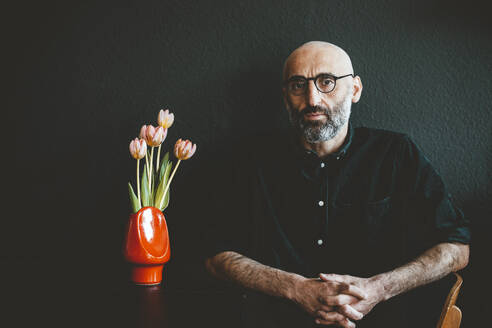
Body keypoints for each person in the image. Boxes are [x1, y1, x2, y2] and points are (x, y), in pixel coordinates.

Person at [204, 41, 470, 328]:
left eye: (326, 82)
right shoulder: (253, 160)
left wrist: (379, 288)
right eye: (298, 85)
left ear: (355, 89)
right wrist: (295, 288)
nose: (312, 98)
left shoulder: (396, 154)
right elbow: (216, 256)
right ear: (285, 96)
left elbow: (457, 248)